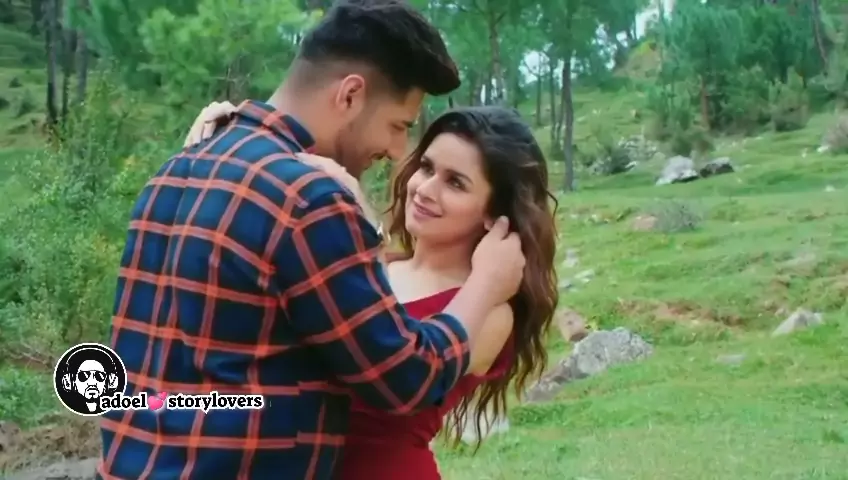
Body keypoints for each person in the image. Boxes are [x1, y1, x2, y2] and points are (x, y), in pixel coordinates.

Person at [97, 1, 526, 479]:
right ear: (350, 95)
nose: (396, 151)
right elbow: (405, 378)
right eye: (398, 126)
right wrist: (488, 283)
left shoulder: (177, 168)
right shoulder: (307, 200)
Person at [185, 104, 559, 479]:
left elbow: (398, 363)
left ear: (494, 214)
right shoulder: (379, 265)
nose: (425, 189)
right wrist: (218, 145)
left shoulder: (489, 309)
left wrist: (359, 213)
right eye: (426, 168)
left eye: (455, 183)